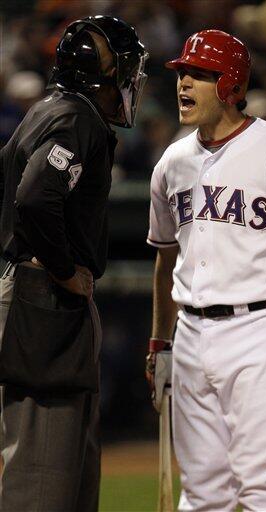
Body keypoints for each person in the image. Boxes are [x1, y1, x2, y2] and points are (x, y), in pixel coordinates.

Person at [146, 30, 266, 511]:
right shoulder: (172, 162)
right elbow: (167, 258)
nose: (184, 83)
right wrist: (160, 342)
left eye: (199, 75)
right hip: (190, 332)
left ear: (229, 84)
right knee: (203, 493)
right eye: (182, 73)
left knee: (261, 488)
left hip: (263, 330)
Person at [0, 15, 148, 512]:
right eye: (125, 69)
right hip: (42, 299)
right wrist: (61, 268)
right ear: (101, 74)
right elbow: (36, 198)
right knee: (44, 479)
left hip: (32, 293)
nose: (131, 81)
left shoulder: (47, 109)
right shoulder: (76, 117)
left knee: (68, 478)